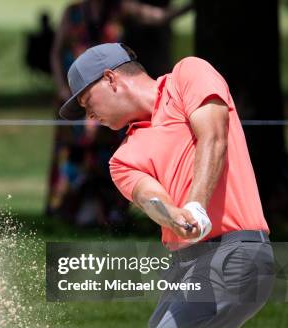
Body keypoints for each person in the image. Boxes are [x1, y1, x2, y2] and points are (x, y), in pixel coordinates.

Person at [59, 43, 274, 328]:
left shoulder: (188, 75)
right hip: (185, 267)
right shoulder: (122, 158)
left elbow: (213, 137)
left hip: (234, 253)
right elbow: (149, 196)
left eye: (87, 101)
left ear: (110, 79)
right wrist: (172, 215)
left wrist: (195, 206)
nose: (89, 116)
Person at [47, 0, 188, 227]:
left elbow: (158, 16)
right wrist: (63, 89)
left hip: (111, 99)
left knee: (109, 153)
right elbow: (56, 52)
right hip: (77, 95)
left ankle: (110, 213)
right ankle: (67, 211)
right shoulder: (72, 13)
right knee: (73, 154)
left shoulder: (120, 8)